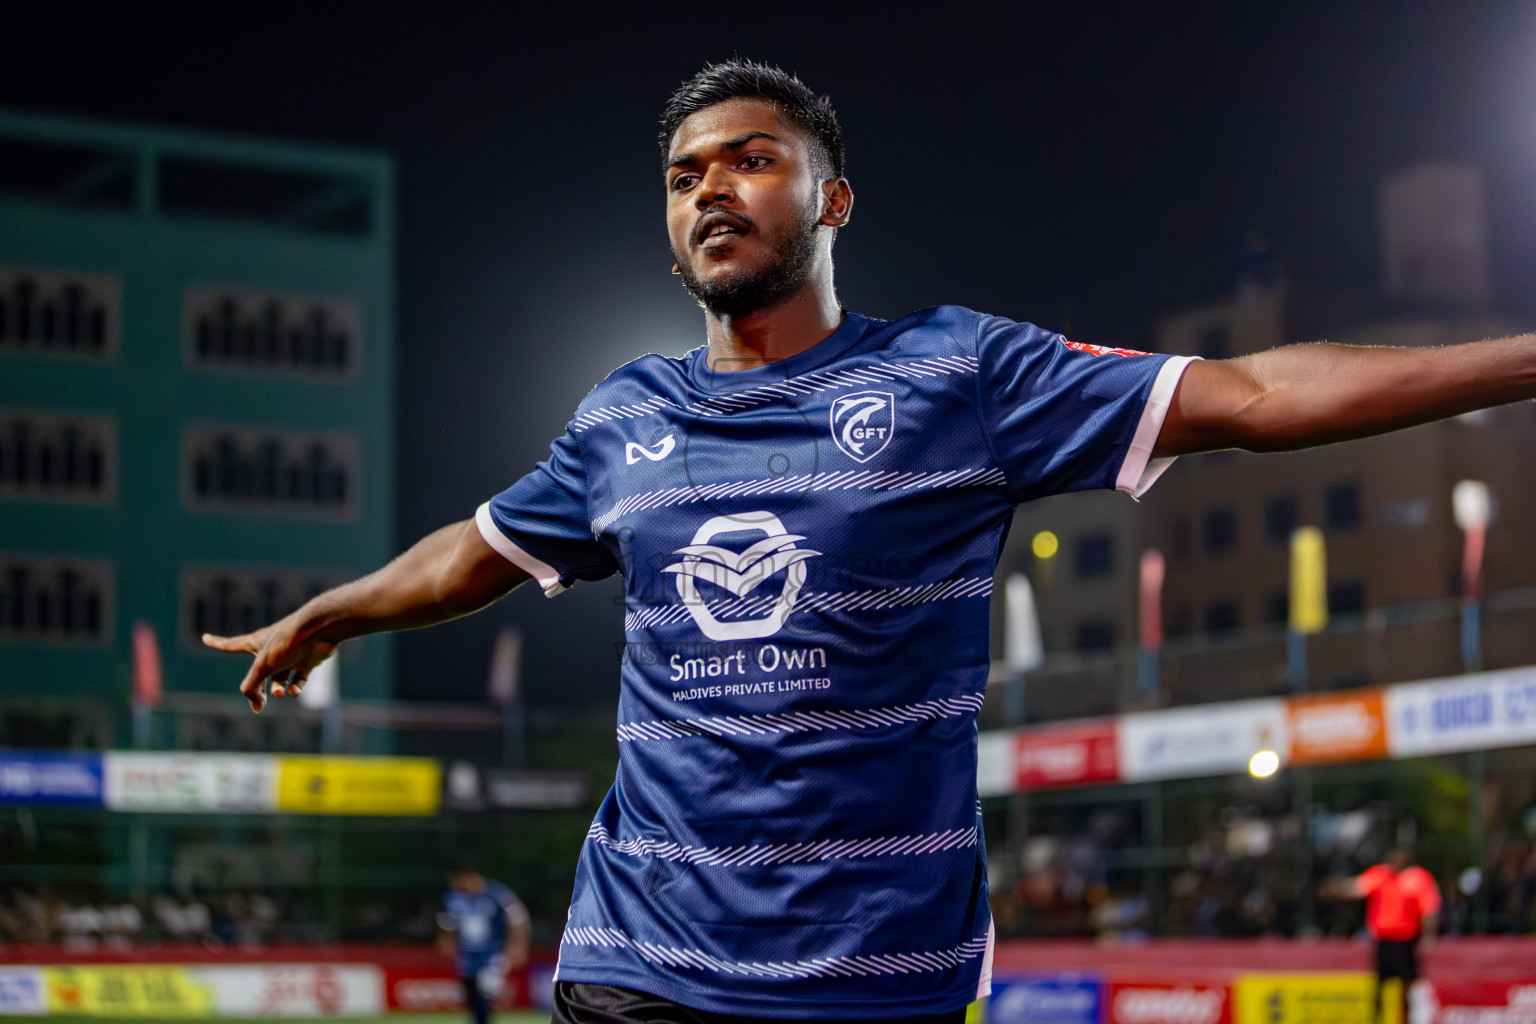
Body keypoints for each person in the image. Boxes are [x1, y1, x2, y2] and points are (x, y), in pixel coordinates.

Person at [205, 59, 1536, 1023]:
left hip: (878, 980)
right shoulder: (628, 417)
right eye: (684, 176)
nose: (711, 190)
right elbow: (481, 547)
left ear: (835, 200)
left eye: (751, 158)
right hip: (640, 967)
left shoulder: (961, 374)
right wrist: (340, 612)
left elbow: (1253, 398)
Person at [1323, 846, 1441, 1024]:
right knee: (1379, 986)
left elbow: (1429, 909)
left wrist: (1428, 935)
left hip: (1406, 940)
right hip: (1383, 940)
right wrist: (1335, 888)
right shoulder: (1380, 875)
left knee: (1406, 987)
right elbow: (1356, 888)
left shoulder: (1418, 878)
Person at [438, 862, 530, 1024]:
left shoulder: (496, 893)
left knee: (485, 993)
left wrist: (516, 945)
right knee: (471, 994)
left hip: (492, 953)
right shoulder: (453, 897)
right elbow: (448, 923)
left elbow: (518, 919)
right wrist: (446, 940)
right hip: (467, 954)